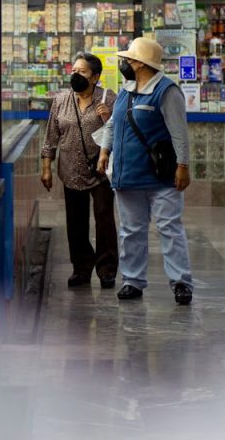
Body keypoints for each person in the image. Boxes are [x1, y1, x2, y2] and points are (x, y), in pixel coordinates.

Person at [96, 37, 194, 305]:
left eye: (128, 59)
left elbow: (179, 132)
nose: (124, 63)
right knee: (130, 231)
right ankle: (132, 281)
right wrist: (105, 151)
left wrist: (183, 166)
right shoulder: (126, 90)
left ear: (140, 63)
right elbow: (113, 125)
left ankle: (181, 283)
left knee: (169, 228)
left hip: (161, 176)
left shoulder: (166, 91)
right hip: (127, 176)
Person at [40, 52, 119, 289]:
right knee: (76, 222)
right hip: (70, 170)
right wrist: (47, 167)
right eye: (73, 70)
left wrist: (107, 118)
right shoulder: (61, 100)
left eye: (81, 72)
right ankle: (81, 268)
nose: (75, 75)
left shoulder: (108, 98)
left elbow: (119, 132)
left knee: (104, 220)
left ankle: (106, 270)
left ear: (95, 77)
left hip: (99, 171)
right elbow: (51, 136)